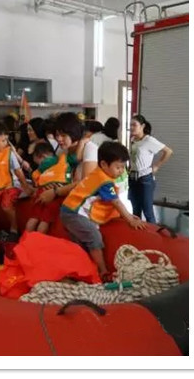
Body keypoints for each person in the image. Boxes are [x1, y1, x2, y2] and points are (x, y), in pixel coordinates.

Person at [61, 142, 146, 281]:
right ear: (104, 164)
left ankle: (81, 271)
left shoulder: (97, 174)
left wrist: (128, 215)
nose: (121, 171)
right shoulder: (104, 181)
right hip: (74, 213)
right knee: (94, 237)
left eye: (123, 167)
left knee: (80, 243)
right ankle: (103, 271)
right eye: (118, 167)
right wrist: (130, 219)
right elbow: (116, 202)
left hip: (69, 211)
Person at [0, 121, 34, 242]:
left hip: (9, 186)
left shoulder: (8, 153)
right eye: (3, 140)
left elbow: (18, 171)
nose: (6, 143)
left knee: (6, 205)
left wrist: (25, 186)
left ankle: (14, 229)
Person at [128, 115, 172, 223]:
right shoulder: (133, 139)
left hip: (145, 179)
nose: (132, 127)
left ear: (142, 126)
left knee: (148, 212)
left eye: (134, 125)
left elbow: (168, 151)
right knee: (135, 211)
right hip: (132, 178)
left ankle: (153, 232)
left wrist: (157, 165)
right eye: (130, 125)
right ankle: (138, 232)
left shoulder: (149, 140)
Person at [25, 142, 74, 234]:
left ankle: (26, 238)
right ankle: (38, 240)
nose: (40, 165)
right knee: (45, 221)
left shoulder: (40, 168)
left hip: (41, 192)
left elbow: (36, 180)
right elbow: (75, 158)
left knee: (33, 218)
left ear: (42, 156)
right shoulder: (61, 159)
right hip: (54, 194)